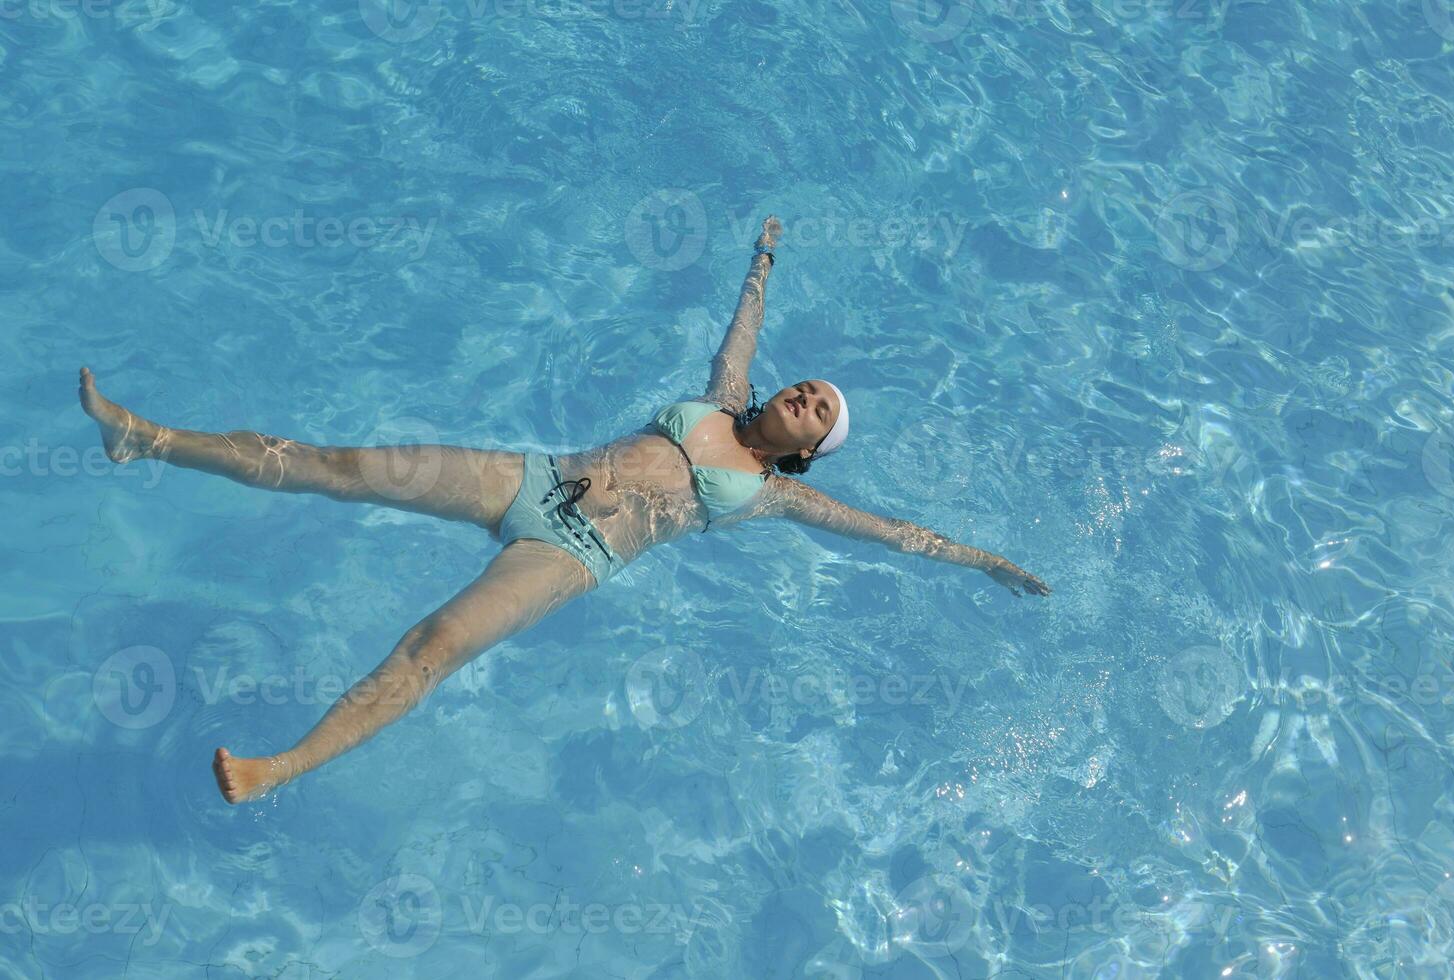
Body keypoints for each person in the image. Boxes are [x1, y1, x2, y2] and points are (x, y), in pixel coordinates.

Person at [77, 215, 1050, 804]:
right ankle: (147, 436)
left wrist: (985, 561)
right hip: (531, 476)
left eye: (820, 409)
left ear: (806, 449)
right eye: (809, 385)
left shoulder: (778, 493)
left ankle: (281, 765)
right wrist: (763, 260)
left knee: (435, 642)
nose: (805, 394)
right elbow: (742, 321)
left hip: (575, 551)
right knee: (339, 463)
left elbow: (893, 534)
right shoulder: (722, 392)